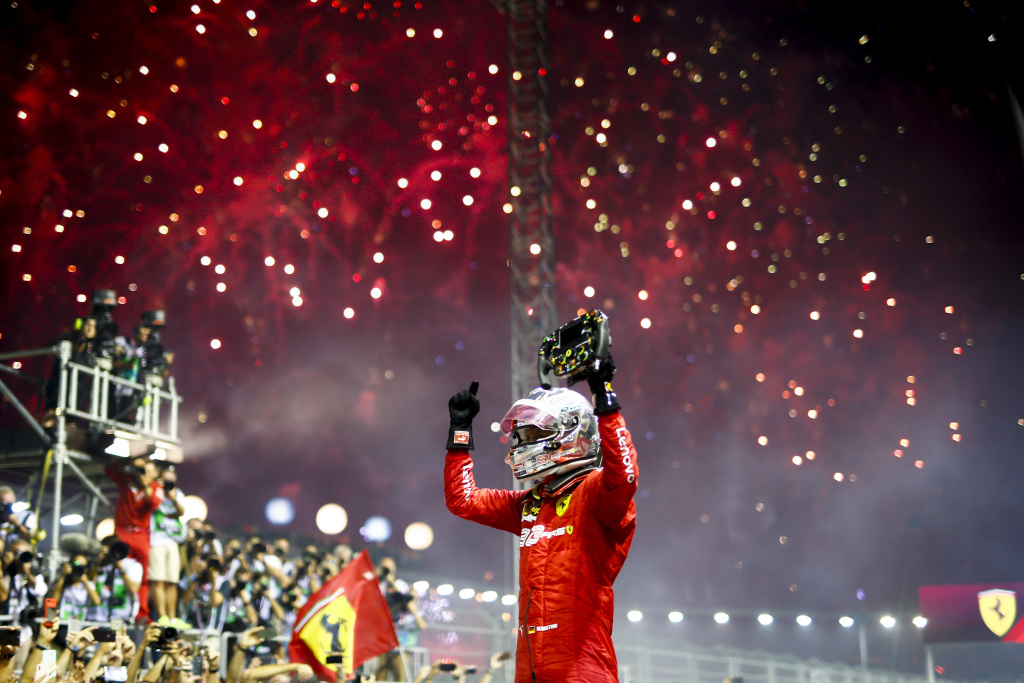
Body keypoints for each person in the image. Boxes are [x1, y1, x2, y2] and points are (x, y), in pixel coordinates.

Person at [443, 357, 638, 682]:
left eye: (532, 432)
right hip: (529, 671)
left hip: (583, 672)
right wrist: (459, 432)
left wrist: (604, 399)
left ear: (572, 430)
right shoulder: (529, 504)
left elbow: (625, 477)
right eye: (519, 436)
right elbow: (463, 500)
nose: (521, 444)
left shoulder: (596, 494)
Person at [104, 457, 164, 622]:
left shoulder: (156, 487)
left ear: (155, 474)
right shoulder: (127, 481)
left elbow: (153, 503)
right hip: (122, 532)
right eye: (143, 470)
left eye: (149, 471)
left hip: (142, 535)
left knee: (143, 576)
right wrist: (130, 462)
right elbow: (109, 470)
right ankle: (113, 609)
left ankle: (142, 613)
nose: (144, 474)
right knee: (118, 569)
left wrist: (146, 485)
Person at [150, 465, 188, 623]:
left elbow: (182, 512)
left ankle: (172, 617)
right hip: (156, 540)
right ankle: (162, 616)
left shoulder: (178, 494)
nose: (168, 483)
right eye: (165, 480)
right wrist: (158, 488)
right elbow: (151, 505)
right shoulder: (154, 491)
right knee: (158, 580)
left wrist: (172, 497)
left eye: (171, 480)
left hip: (172, 541)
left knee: (172, 581)